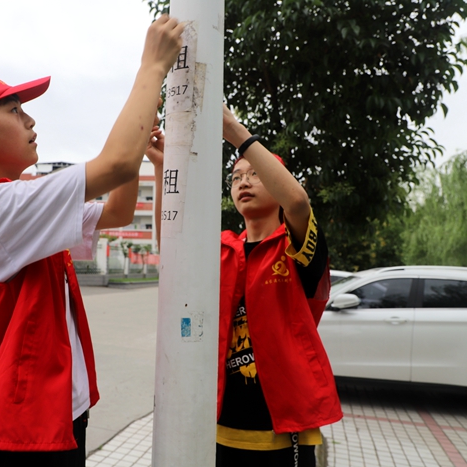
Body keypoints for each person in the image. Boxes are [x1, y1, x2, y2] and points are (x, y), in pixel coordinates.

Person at [0, 15, 184, 467]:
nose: (30, 119)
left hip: (53, 420)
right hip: (19, 436)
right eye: (14, 110)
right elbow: (115, 164)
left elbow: (118, 211)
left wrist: (142, 156)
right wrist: (152, 67)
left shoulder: (16, 206)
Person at [146, 104, 342, 467]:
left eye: (255, 174)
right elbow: (171, 249)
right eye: (236, 178)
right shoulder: (221, 249)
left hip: (283, 435)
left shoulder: (294, 247)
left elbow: (298, 202)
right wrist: (161, 168)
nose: (244, 182)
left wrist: (236, 132)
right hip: (220, 428)